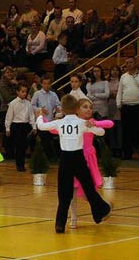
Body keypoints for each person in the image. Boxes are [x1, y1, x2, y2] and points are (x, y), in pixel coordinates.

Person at [36, 94, 112, 233]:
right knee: (88, 188)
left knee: (64, 193)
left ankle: (60, 224)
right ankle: (101, 211)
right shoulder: (82, 123)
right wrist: (93, 125)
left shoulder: (59, 123)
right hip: (78, 159)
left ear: (62, 109)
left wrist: (40, 115)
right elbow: (101, 132)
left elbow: (41, 126)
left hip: (65, 159)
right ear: (77, 108)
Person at [68, 98, 114, 229]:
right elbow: (53, 129)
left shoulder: (92, 122)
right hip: (74, 156)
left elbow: (110, 123)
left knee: (89, 191)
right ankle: (73, 218)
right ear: (77, 110)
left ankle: (103, 206)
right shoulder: (72, 122)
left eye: (90, 107)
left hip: (88, 158)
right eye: (85, 107)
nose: (89, 109)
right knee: (73, 188)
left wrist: (93, 125)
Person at [5, 83, 36, 171]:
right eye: (22, 91)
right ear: (17, 92)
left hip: (25, 125)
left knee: (25, 146)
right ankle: (19, 165)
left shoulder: (28, 103)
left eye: (25, 92)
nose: (24, 93)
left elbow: (31, 115)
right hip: (16, 125)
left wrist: (34, 126)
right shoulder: (12, 103)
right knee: (19, 146)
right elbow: (9, 116)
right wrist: (7, 128)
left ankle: (23, 164)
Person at [31, 75, 61, 161]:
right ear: (41, 84)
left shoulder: (53, 94)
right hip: (42, 121)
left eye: (48, 83)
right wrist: (40, 109)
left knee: (50, 139)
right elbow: (32, 105)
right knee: (45, 140)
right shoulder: (37, 94)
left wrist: (58, 108)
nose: (46, 85)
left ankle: (51, 156)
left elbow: (58, 104)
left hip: (51, 121)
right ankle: (47, 157)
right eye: (44, 83)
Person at [116, 57, 139, 160]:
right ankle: (127, 153)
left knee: (137, 130)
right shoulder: (123, 77)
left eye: (131, 62)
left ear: (135, 63)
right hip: (125, 107)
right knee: (126, 131)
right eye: (127, 63)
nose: (129, 64)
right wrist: (118, 104)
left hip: (137, 106)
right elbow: (119, 91)